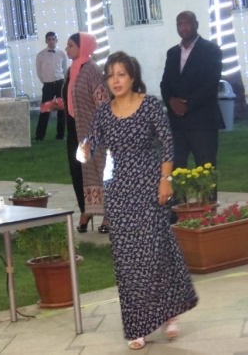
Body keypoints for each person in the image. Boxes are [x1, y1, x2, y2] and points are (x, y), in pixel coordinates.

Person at [82, 52, 198, 350]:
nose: (116, 80)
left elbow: (168, 144)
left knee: (155, 252)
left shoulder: (149, 105)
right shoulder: (104, 113)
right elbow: (90, 144)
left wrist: (165, 179)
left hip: (149, 187)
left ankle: (168, 312)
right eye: (110, 75)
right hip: (118, 192)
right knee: (127, 260)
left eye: (121, 74)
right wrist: (83, 149)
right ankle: (137, 325)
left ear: (132, 76)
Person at [160, 11, 224, 171]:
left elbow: (211, 84)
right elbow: (165, 83)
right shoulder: (172, 53)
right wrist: (171, 101)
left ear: (196, 24)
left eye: (187, 23)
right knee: (175, 171)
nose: (184, 27)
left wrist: (186, 105)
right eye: (180, 24)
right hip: (177, 123)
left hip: (202, 122)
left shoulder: (211, 50)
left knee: (206, 172)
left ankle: (206, 192)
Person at [62, 32, 109, 233]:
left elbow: (102, 101)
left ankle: (107, 214)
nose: (67, 49)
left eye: (71, 45)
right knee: (77, 171)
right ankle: (85, 210)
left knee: (97, 169)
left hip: (91, 129)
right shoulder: (71, 70)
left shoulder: (92, 70)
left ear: (83, 47)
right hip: (74, 128)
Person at [35, 31, 67, 141]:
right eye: (49, 39)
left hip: (60, 83)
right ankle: (40, 135)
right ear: (46, 41)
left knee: (61, 110)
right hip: (48, 84)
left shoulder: (61, 54)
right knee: (45, 109)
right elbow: (39, 72)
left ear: (56, 40)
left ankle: (60, 134)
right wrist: (45, 82)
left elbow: (64, 69)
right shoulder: (41, 55)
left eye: (53, 39)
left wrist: (63, 82)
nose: (51, 41)